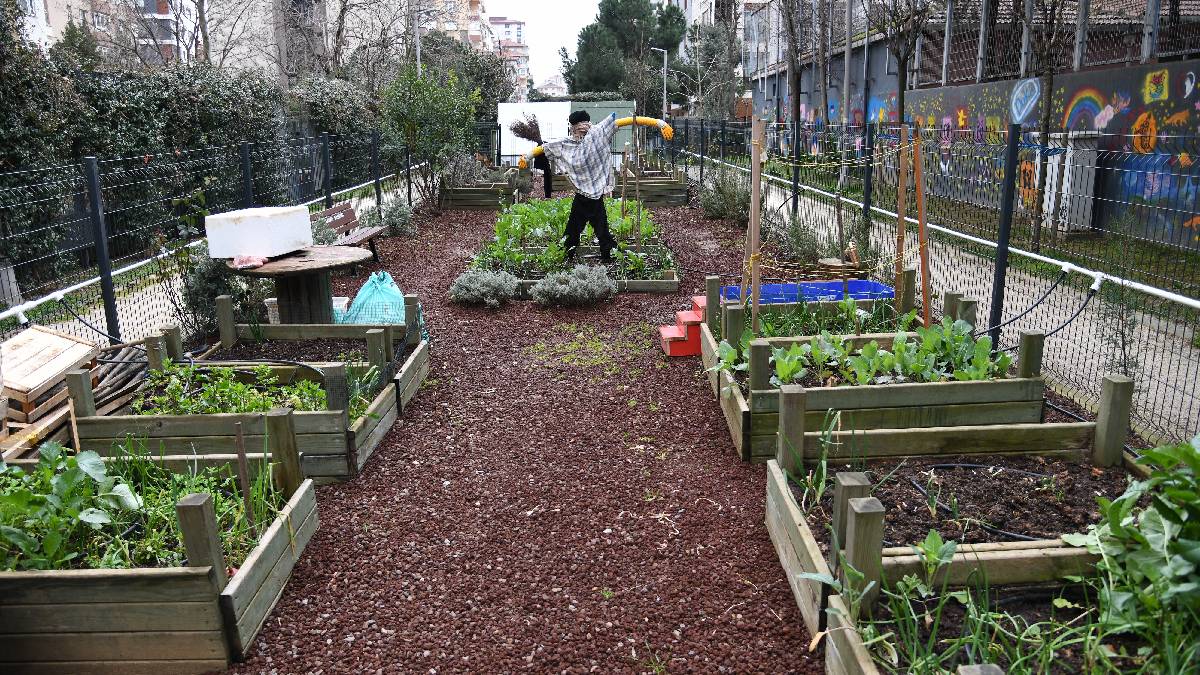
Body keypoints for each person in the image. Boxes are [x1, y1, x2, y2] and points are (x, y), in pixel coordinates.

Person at [520, 110, 672, 263]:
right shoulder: (569, 143)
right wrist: (526, 157)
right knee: (592, 229)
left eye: (582, 126)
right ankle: (603, 253)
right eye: (577, 128)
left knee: (579, 229)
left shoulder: (598, 133)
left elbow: (628, 121)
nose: (581, 130)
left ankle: (573, 254)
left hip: (591, 196)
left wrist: (660, 123)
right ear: (573, 128)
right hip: (585, 195)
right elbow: (546, 147)